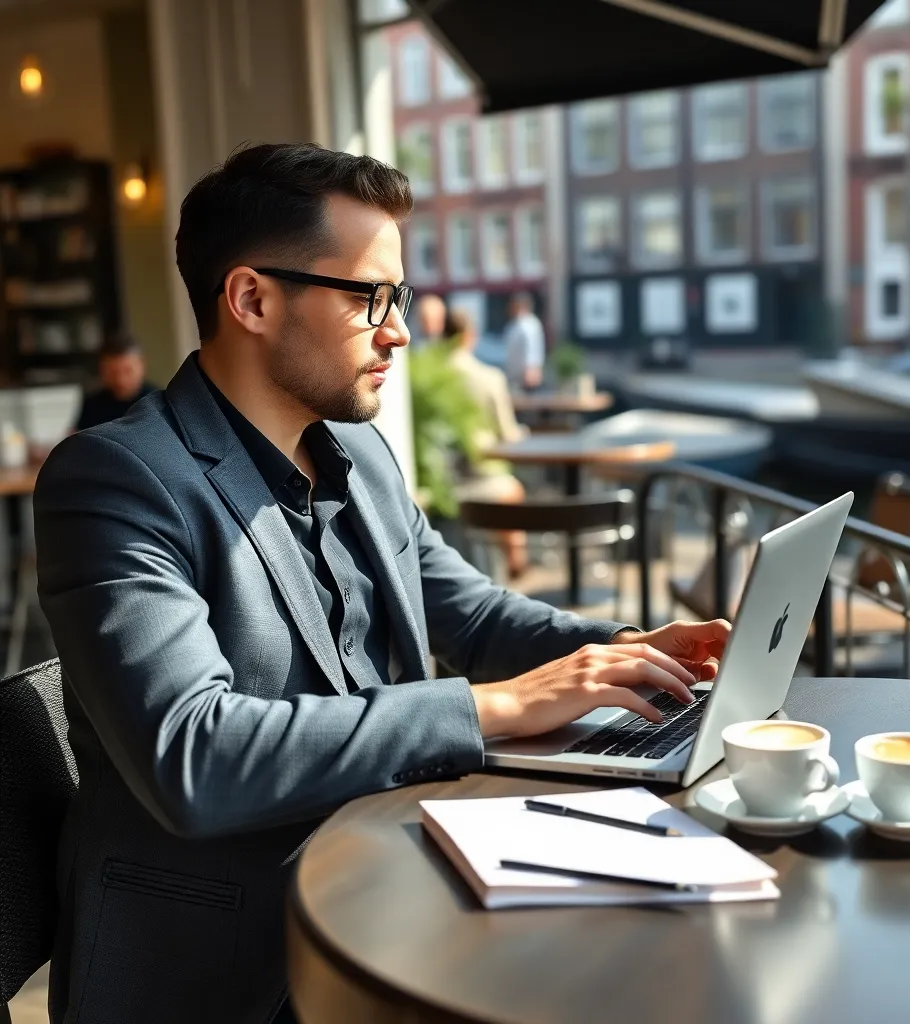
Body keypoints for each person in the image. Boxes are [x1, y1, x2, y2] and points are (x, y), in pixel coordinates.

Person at [35, 142, 729, 1024]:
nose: (399, 328)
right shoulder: (118, 479)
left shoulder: (357, 452)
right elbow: (194, 754)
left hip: (394, 889)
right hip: (227, 967)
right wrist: (493, 708)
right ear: (251, 298)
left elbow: (470, 612)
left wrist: (622, 655)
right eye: (371, 297)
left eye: (396, 297)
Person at [445, 307, 528, 577]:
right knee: (512, 490)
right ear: (471, 336)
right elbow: (508, 435)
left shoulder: (427, 377)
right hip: (482, 477)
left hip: (443, 481)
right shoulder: (489, 377)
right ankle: (516, 562)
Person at [74, 331, 155, 430]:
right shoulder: (92, 405)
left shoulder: (156, 402)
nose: (121, 380)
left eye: (128, 371)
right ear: (101, 369)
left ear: (141, 365)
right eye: (113, 372)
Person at [503, 290, 546, 390]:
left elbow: (531, 348)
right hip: (514, 375)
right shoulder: (514, 325)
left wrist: (531, 370)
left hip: (527, 376)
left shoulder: (530, 324)